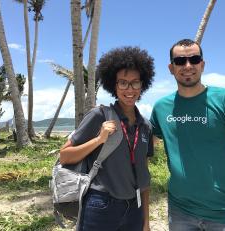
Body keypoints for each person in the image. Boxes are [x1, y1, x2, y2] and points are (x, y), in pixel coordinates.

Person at [150, 39, 225, 231]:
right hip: (180, 211)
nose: (188, 66)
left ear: (202, 64)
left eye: (194, 59)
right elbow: (145, 144)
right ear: (171, 68)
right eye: (180, 61)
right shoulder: (161, 108)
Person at [59, 46, 155, 231]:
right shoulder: (99, 116)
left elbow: (144, 174)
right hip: (101, 205)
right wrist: (99, 139)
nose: (129, 89)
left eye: (135, 82)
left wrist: (146, 221)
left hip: (134, 208)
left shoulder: (145, 126)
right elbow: (65, 156)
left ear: (142, 85)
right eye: (123, 83)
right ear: (114, 85)